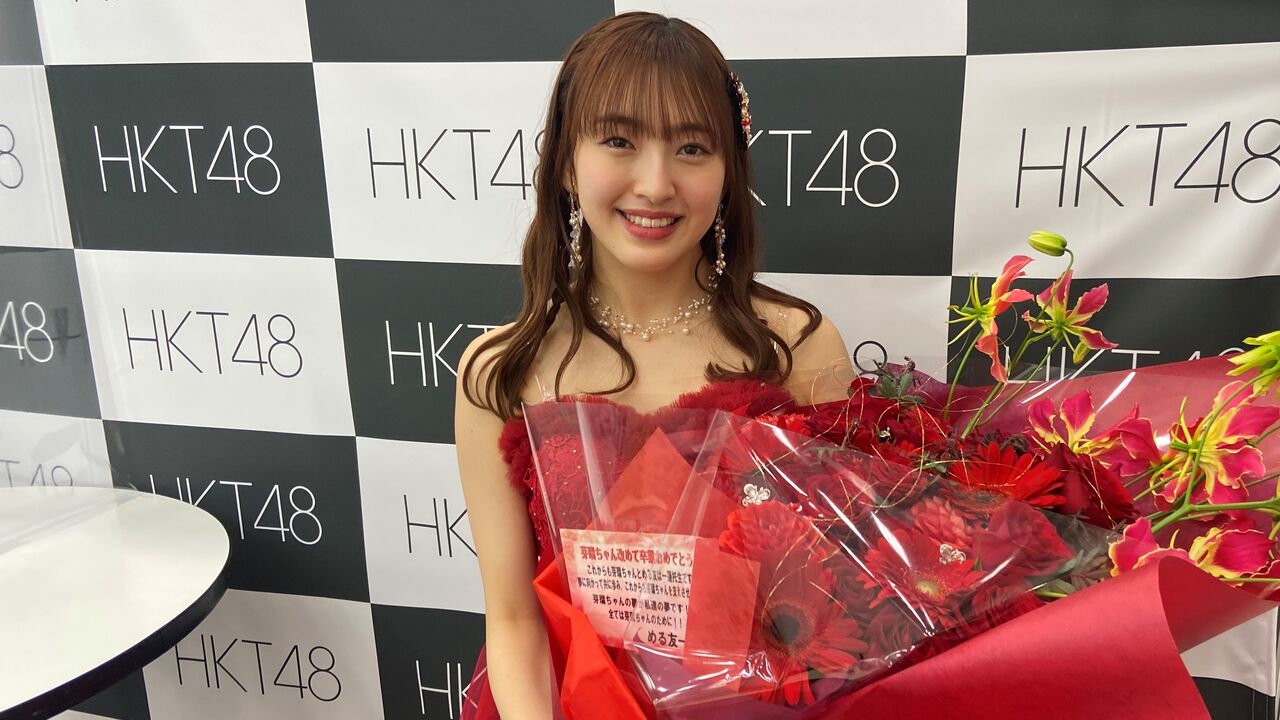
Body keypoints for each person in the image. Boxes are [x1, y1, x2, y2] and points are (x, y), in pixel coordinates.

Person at [454, 12, 851, 719]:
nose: (656, 183)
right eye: (619, 140)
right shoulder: (501, 370)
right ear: (566, 161)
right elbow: (512, 618)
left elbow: (843, 600)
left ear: (728, 171)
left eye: (692, 147)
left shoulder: (797, 347)